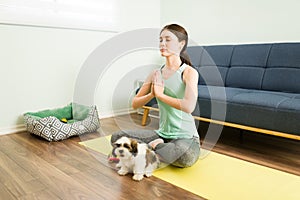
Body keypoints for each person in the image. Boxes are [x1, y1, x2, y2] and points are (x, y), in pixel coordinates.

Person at [111, 24, 200, 168]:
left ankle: (151, 149)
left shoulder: (188, 72)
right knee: (117, 138)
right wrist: (152, 93)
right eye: (160, 40)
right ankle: (157, 148)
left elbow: (189, 106)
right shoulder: (155, 74)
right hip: (161, 134)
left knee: (185, 156)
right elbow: (135, 104)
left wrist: (160, 94)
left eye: (167, 40)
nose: (162, 44)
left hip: (186, 137)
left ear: (181, 44)